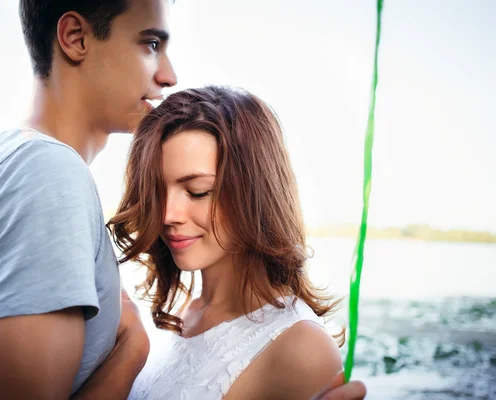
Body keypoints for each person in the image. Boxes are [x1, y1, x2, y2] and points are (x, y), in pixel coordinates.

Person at [0, 0, 177, 398]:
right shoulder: (47, 176)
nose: (169, 75)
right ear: (75, 38)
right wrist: (131, 352)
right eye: (150, 43)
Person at [110, 86, 366, 400]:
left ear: (255, 193)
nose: (166, 214)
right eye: (157, 191)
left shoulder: (301, 349)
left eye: (198, 191)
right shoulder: (175, 312)